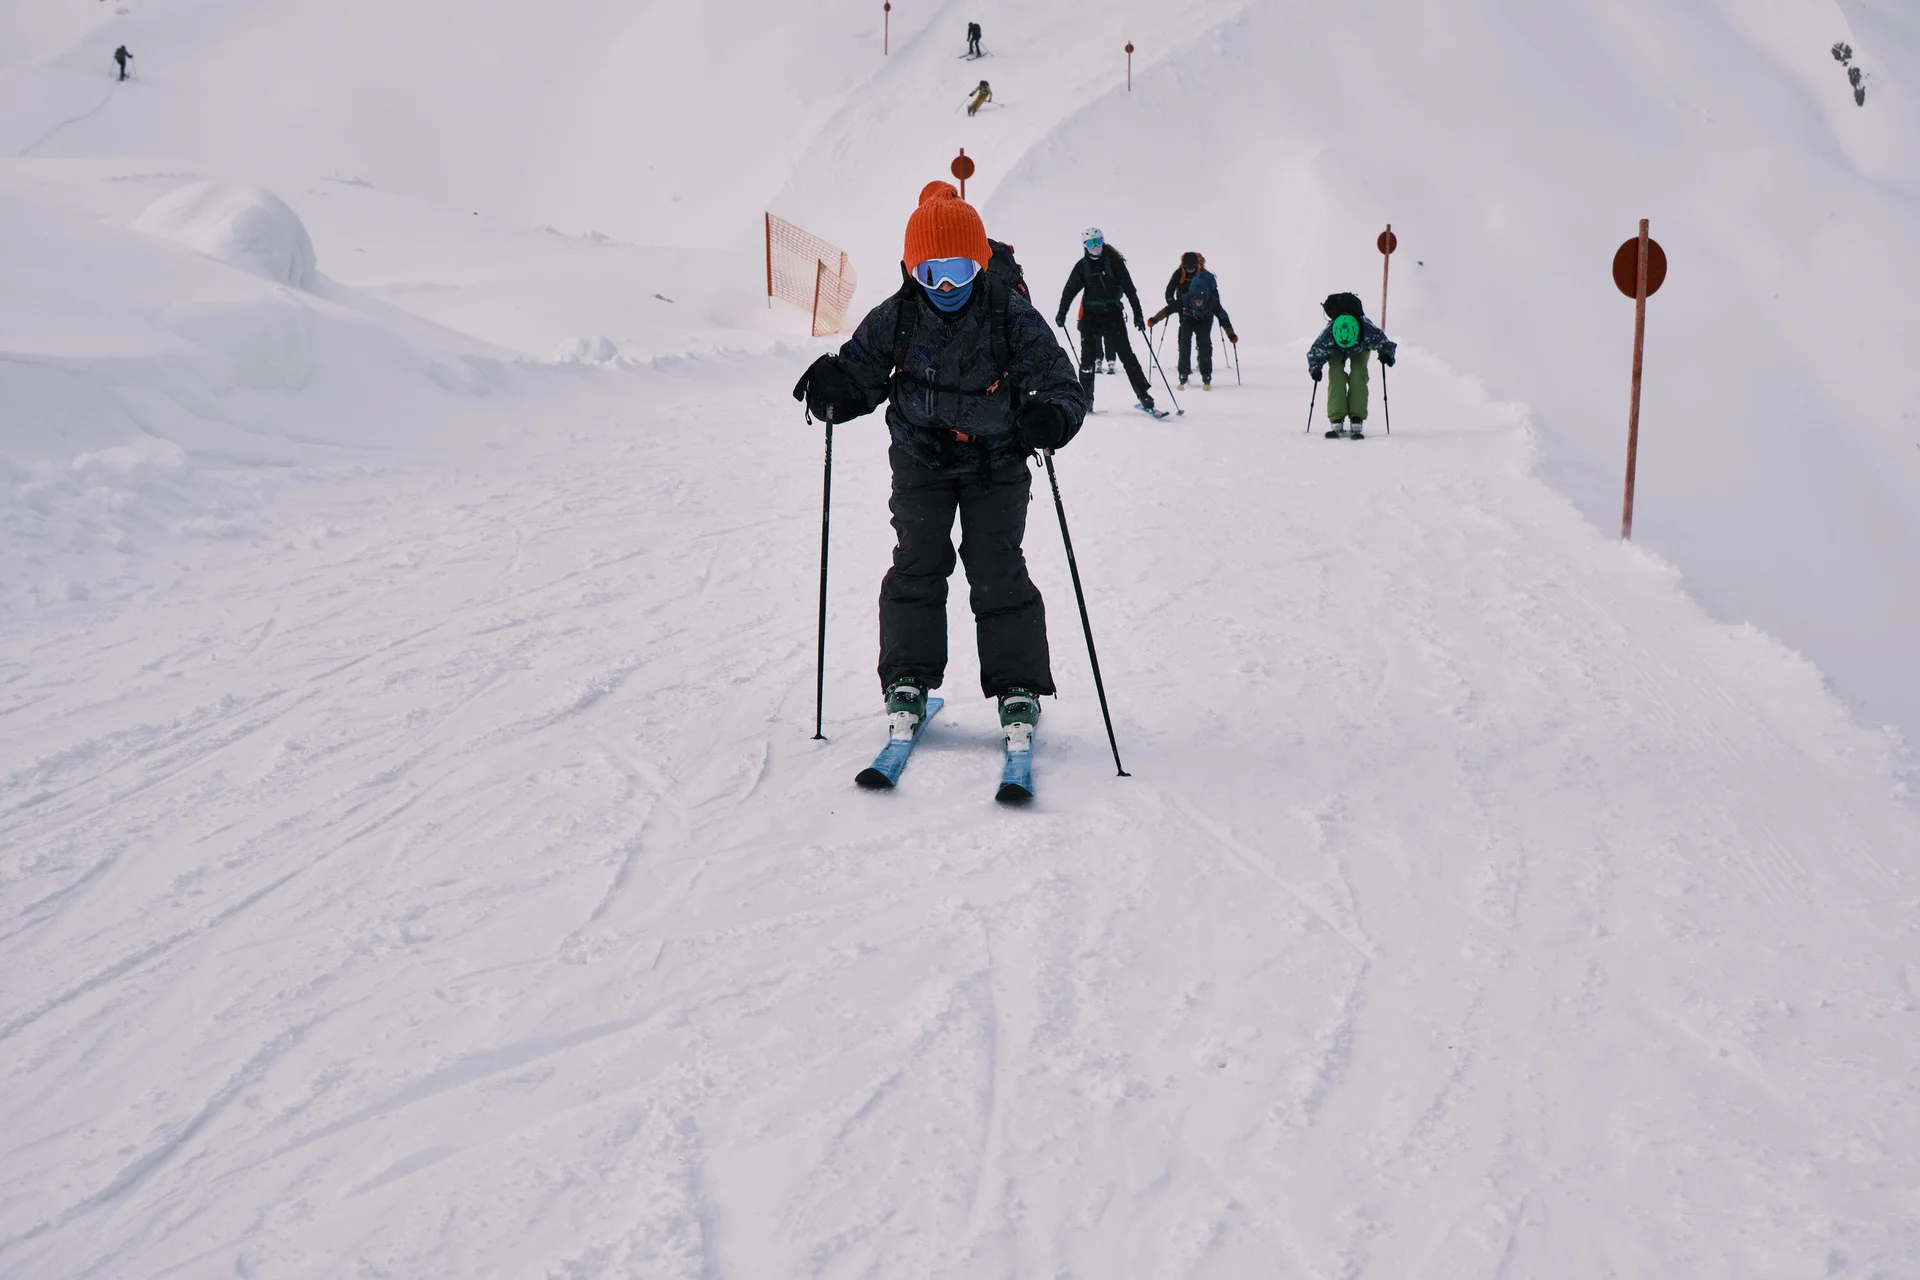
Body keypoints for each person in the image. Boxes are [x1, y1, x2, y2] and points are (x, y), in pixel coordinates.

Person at [791, 183, 1089, 743]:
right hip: (920, 455)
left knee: (995, 565)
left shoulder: (1009, 313)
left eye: (957, 270)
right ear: (912, 270)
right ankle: (908, 679)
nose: (946, 286)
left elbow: (1061, 385)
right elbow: (860, 378)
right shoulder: (896, 316)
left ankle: (1017, 686)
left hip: (996, 459)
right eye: (931, 273)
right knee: (918, 561)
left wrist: (1050, 418)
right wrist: (833, 391)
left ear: (980, 264)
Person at [1056, 228, 1154, 414]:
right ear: (1085, 246)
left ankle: (1144, 395)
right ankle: (1086, 399)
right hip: (1090, 317)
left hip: (1113, 314)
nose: (1095, 247)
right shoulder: (1082, 266)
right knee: (1087, 360)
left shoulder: (1114, 263)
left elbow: (1130, 289)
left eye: (1098, 242)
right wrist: (1062, 312)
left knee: (1126, 356)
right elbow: (1069, 291)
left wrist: (1138, 314)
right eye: (1091, 243)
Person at [1306, 292, 1396, 438]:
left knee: (1358, 373)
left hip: (1361, 348)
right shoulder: (1329, 333)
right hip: (1336, 350)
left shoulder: (1366, 328)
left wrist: (1387, 354)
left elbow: (1384, 342)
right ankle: (1337, 417)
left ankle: (1357, 417)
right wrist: (1315, 368)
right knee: (1335, 373)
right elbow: (1315, 352)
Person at [1148, 251, 1237, 390]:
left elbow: (1222, 316)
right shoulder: (1181, 280)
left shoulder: (1207, 288)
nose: (1189, 270)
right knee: (1184, 342)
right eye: (1187, 268)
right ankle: (1184, 371)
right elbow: (1169, 304)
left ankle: (1205, 371)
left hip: (1205, 317)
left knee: (1204, 343)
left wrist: (1231, 334)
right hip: (1186, 312)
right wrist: (1156, 318)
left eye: (1192, 267)